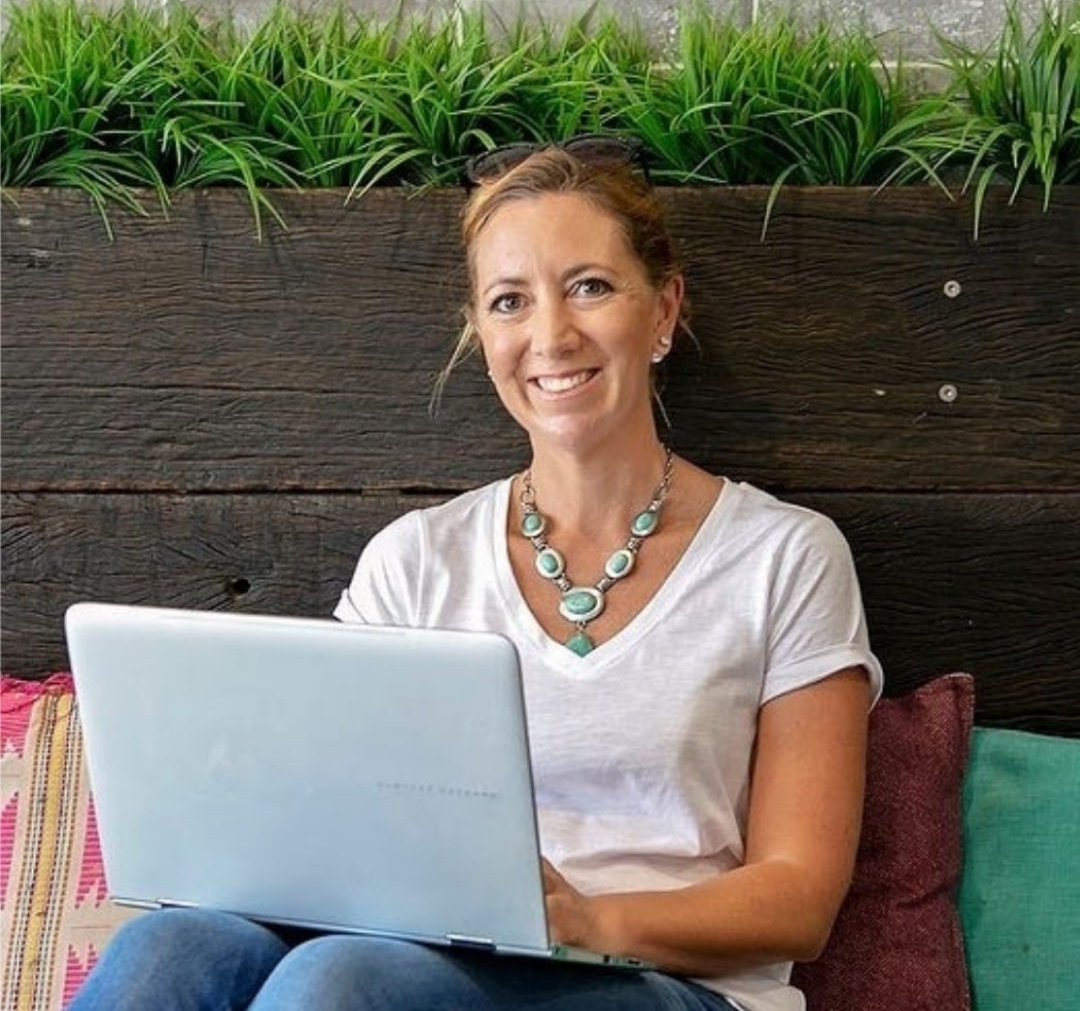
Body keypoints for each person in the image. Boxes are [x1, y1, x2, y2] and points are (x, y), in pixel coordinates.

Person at [70, 137, 882, 1011]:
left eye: (590, 287)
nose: (551, 336)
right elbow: (331, 820)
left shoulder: (785, 557)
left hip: (670, 984)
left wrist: (582, 920)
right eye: (509, 301)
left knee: (339, 980)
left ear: (663, 310)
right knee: (171, 945)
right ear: (481, 333)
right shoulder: (415, 560)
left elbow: (799, 900)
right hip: (419, 958)